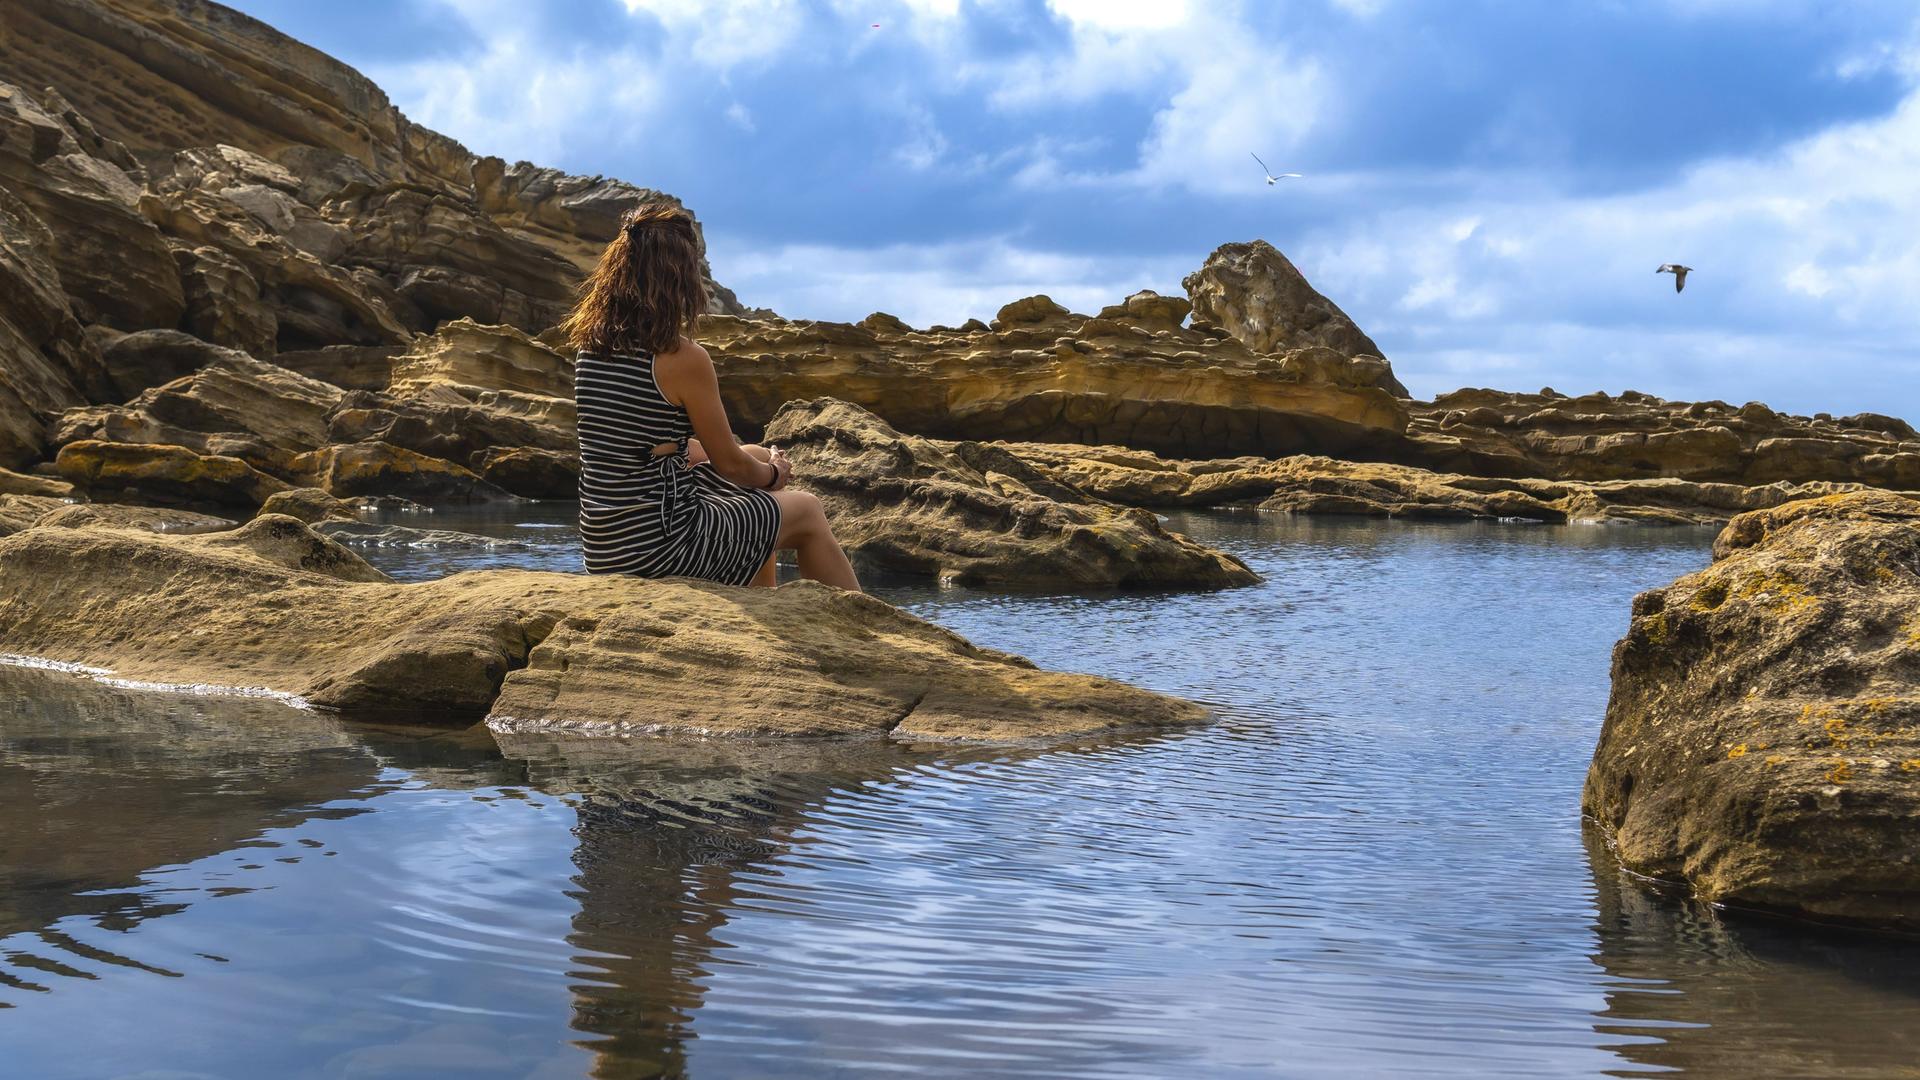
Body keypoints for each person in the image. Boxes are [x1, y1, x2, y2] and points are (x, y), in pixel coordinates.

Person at [560, 202, 861, 591]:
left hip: (607, 544)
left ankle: (761, 600)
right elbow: (732, 468)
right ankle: (867, 632)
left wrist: (751, 462)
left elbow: (643, 440)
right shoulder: (681, 358)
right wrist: (774, 473)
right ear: (679, 277)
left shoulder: (592, 347)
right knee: (806, 509)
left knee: (751, 455)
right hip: (658, 547)